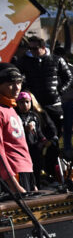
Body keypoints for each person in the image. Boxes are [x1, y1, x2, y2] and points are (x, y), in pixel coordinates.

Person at [0, 63, 33, 194]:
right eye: (11, 83)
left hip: (25, 171)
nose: (17, 88)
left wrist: (32, 181)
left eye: (19, 82)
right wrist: (14, 185)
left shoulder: (11, 108)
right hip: (12, 175)